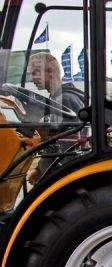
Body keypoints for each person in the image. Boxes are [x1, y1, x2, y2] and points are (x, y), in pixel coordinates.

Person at [25, 52, 84, 184]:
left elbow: (65, 146)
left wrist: (41, 169)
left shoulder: (64, 101)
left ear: (50, 72)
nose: (32, 78)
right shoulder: (59, 99)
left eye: (35, 73)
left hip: (64, 174)